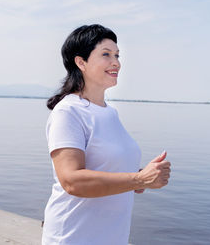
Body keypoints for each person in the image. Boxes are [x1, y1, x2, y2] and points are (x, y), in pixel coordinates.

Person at [42, 24, 171, 245]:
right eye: (106, 54)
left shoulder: (109, 112)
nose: (116, 62)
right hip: (74, 237)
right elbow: (72, 180)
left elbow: (109, 169)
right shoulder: (69, 111)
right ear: (80, 62)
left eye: (117, 55)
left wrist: (141, 179)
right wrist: (138, 178)